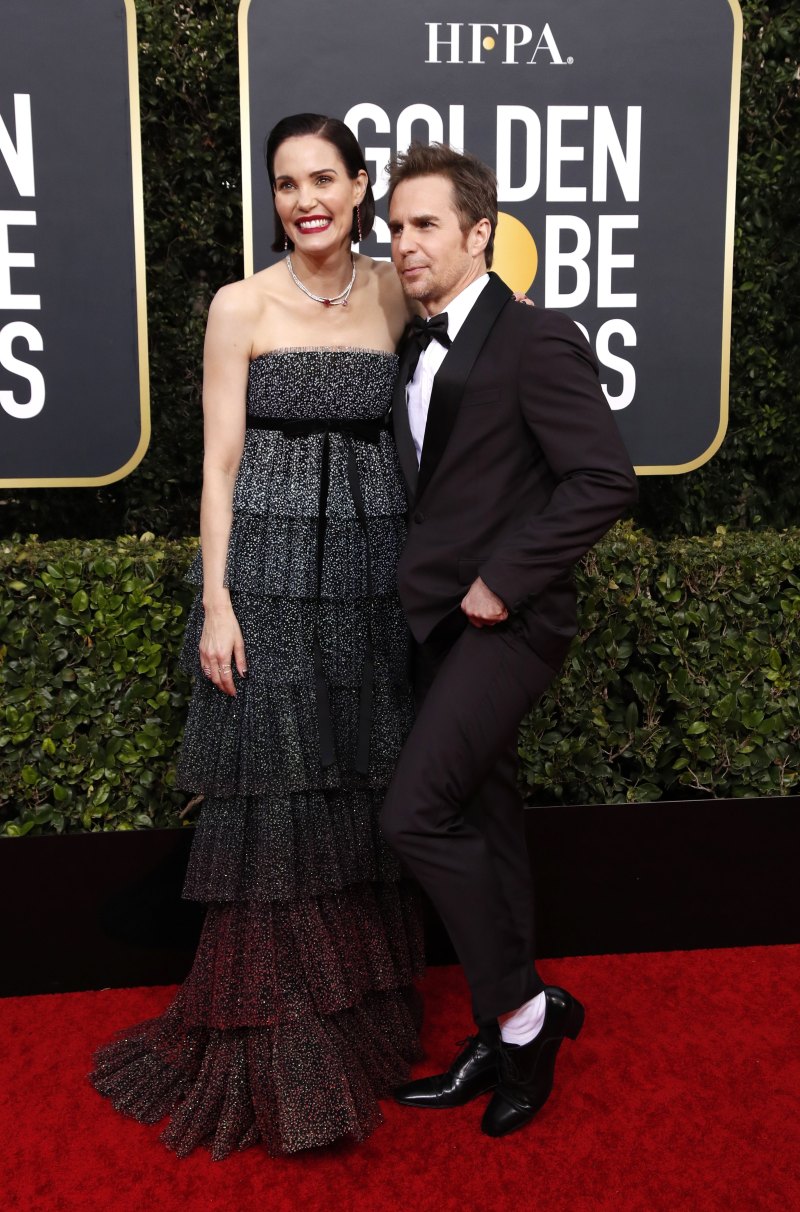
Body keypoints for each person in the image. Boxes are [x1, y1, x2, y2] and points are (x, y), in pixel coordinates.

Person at [90, 114, 425, 1158]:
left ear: (360, 186)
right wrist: (219, 601)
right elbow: (220, 464)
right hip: (269, 575)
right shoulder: (240, 303)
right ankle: (281, 1033)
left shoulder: (394, 293)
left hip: (371, 572)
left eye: (323, 178)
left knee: (352, 777)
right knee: (275, 789)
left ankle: (351, 1008)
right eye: (286, 184)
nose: (304, 199)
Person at [381, 143, 639, 1138]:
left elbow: (602, 478)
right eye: (394, 228)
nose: (404, 243)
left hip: (508, 622)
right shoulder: (415, 342)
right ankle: (506, 1028)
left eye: (424, 225)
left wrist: (503, 577)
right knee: (484, 822)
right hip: (436, 625)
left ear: (479, 233)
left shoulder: (536, 337)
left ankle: (528, 1019)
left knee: (415, 814)